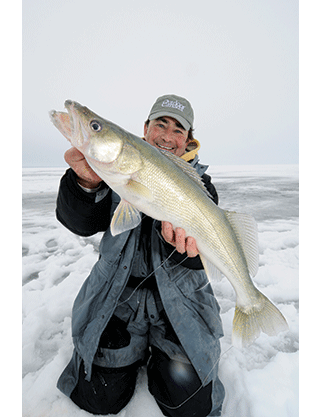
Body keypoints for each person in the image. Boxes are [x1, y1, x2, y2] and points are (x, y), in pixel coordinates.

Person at [55, 94, 225, 417]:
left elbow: (202, 257)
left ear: (189, 141)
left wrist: (184, 254)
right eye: (160, 124)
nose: (167, 136)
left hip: (179, 307)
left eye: (178, 130)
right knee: (97, 395)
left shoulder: (201, 187)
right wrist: (85, 185)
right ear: (145, 129)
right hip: (119, 299)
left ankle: (163, 357)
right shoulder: (112, 173)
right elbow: (79, 220)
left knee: (189, 404)